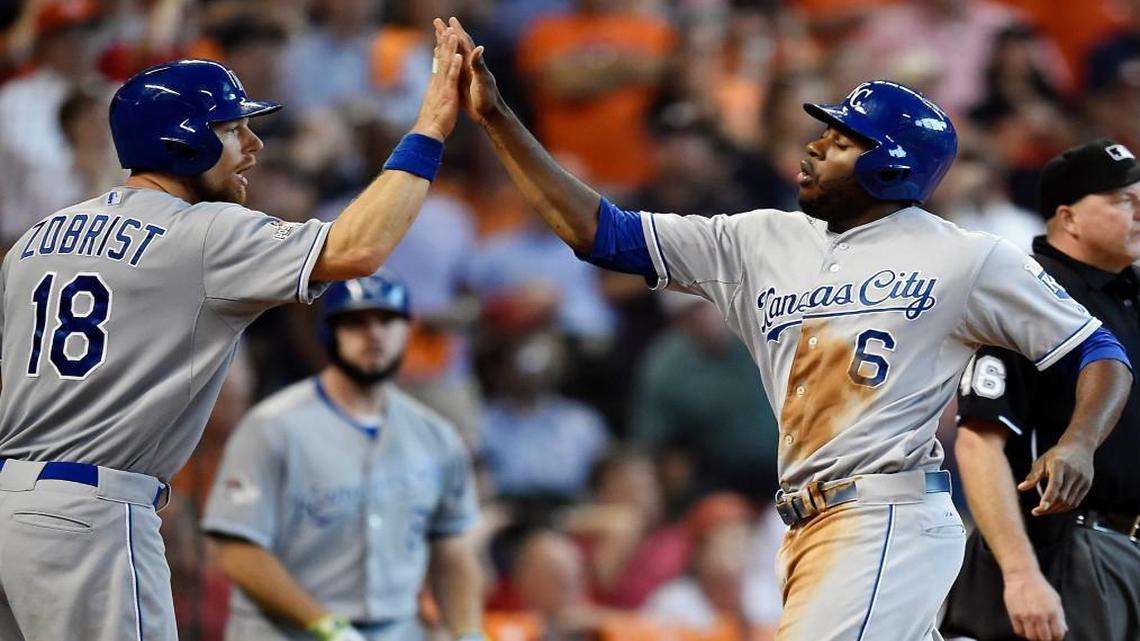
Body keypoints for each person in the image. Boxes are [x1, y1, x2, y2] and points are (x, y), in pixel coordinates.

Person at [438, 17, 1134, 641]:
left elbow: (1098, 349)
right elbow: (604, 234)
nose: (813, 146)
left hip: (886, 514)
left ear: (889, 165)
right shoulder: (759, 239)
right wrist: (498, 119)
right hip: (805, 526)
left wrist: (1078, 441)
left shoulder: (966, 256)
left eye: (839, 140)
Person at [0, 24, 466, 641]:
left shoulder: (35, 239)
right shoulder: (203, 233)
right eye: (231, 129)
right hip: (91, 514)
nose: (252, 145)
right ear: (183, 141)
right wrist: (429, 127)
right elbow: (359, 248)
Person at [202, 271, 484, 641]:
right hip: (287, 633)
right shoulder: (271, 426)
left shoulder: (436, 435)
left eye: (387, 321)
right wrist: (325, 624)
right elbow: (237, 549)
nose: (374, 335)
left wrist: (467, 632)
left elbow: (452, 548)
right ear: (329, 333)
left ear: (407, 332)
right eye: (356, 322)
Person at [941, 139, 1140, 641]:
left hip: (1121, 551)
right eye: (1122, 201)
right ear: (1068, 218)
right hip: (1066, 551)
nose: (1139, 212)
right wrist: (1020, 574)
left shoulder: (1130, 295)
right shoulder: (1027, 296)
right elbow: (979, 443)